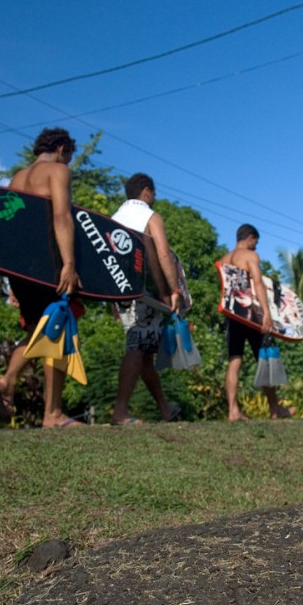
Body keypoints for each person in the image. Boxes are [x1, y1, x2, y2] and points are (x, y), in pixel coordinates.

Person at [0, 127, 84, 428]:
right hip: (47, 265)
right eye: (69, 156)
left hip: (20, 270)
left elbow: (9, 231)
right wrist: (69, 263)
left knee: (37, 330)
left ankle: (8, 380)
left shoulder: (17, 178)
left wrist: (10, 283)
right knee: (59, 326)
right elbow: (62, 216)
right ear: (62, 149)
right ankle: (52, 414)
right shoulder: (58, 171)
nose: (68, 162)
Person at [108, 173, 183, 425]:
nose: (155, 198)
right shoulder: (149, 216)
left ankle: (164, 408)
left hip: (121, 291)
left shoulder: (114, 219)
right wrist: (173, 290)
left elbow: (108, 262)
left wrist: (111, 300)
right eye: (154, 193)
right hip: (144, 293)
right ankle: (120, 410)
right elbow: (163, 254)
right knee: (137, 347)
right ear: (146, 191)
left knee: (144, 352)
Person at [218, 224, 295, 422]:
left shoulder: (224, 259)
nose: (256, 246)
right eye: (256, 242)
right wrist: (267, 313)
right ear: (250, 237)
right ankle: (274, 409)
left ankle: (233, 410)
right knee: (264, 359)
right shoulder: (250, 256)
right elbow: (258, 283)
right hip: (251, 316)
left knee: (235, 360)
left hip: (233, 316)